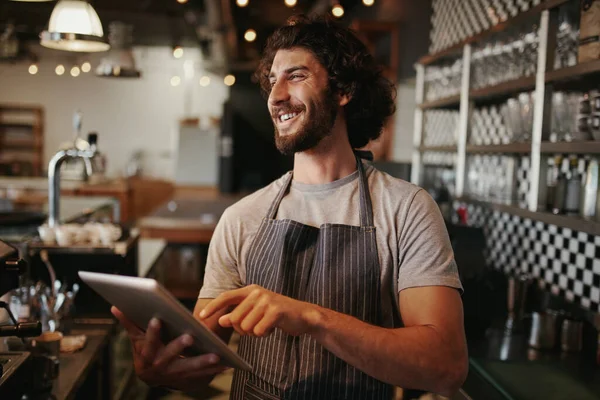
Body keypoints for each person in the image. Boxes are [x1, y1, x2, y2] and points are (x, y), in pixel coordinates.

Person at [113, 15, 468, 400]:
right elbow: (200, 367)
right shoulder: (242, 219)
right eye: (272, 81)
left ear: (343, 90)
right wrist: (163, 369)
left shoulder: (406, 209)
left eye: (295, 76)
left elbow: (446, 367)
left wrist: (312, 318)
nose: (275, 96)